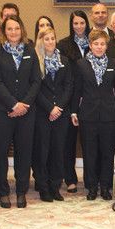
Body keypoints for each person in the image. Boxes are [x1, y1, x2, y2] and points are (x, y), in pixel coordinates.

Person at [0, 16, 41, 208]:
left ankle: (21, 191)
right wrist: (12, 104)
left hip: (26, 111)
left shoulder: (30, 50)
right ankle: (3, 192)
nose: (13, 32)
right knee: (0, 152)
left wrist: (24, 104)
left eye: (16, 28)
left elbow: (36, 80)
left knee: (23, 152)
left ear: (22, 30)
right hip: (1, 111)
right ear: (4, 31)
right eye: (9, 29)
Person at [72, 29, 115, 201]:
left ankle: (105, 187)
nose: (99, 47)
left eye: (102, 44)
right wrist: (74, 111)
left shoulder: (114, 64)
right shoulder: (81, 64)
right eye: (96, 44)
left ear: (107, 46)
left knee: (107, 152)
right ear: (90, 45)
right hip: (88, 115)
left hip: (109, 116)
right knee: (90, 153)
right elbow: (77, 90)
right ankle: (92, 187)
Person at [34, 27, 73, 202]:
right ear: (41, 41)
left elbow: (69, 86)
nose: (50, 42)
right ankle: (43, 187)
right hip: (42, 113)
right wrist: (50, 108)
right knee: (43, 151)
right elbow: (35, 88)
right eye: (46, 39)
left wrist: (59, 107)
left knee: (58, 151)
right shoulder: (36, 61)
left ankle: (55, 186)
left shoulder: (64, 61)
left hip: (61, 114)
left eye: (52, 38)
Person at [57, 9, 90, 193]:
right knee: (68, 141)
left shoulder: (94, 42)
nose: (79, 26)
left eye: (82, 23)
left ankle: (91, 178)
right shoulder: (63, 45)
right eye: (75, 23)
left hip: (90, 97)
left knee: (89, 141)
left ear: (87, 23)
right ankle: (70, 178)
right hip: (70, 98)